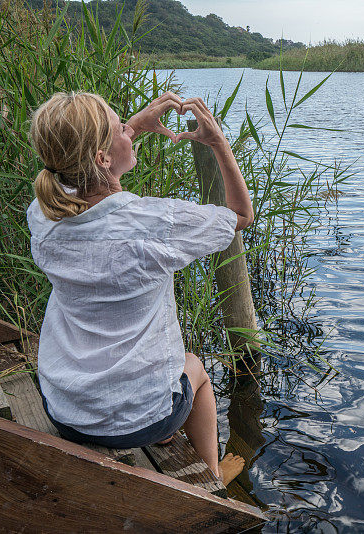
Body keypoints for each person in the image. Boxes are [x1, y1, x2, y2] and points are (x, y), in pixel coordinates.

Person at [25, 91, 253, 486]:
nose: (128, 132)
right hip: (134, 419)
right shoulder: (156, 222)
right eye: (121, 129)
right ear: (101, 157)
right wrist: (217, 140)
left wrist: (136, 125)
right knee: (195, 369)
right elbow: (240, 215)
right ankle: (213, 480)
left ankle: (164, 429)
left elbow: (91, 175)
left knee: (161, 380)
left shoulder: (43, 215)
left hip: (64, 409)